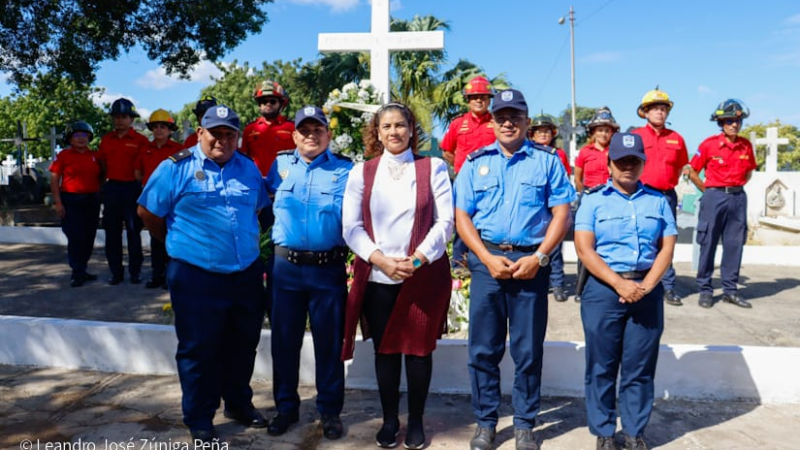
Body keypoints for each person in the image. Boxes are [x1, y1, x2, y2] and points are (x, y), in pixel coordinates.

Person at [137, 105, 270, 443]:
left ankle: (238, 404)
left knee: (244, 345)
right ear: (200, 134)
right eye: (216, 133)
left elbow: (257, 211)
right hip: (196, 276)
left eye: (229, 134)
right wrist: (175, 244)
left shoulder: (249, 169)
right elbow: (148, 211)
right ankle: (199, 417)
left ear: (237, 137)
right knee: (199, 350)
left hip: (245, 274)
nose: (222, 140)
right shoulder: (175, 168)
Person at [454, 89, 575, 450]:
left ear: (526, 121)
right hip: (487, 262)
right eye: (501, 116)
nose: (508, 122)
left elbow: (562, 213)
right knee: (483, 350)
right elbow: (462, 217)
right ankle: (486, 423)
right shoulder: (475, 163)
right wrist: (486, 258)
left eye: (515, 117)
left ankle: (524, 424)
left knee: (527, 351)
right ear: (491, 121)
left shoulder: (548, 161)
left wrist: (539, 256)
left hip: (530, 264)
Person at [342, 102, 453, 450]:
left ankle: (416, 421)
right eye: (386, 126)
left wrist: (417, 260)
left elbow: (445, 222)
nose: (394, 132)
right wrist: (382, 261)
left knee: (419, 352)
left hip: (422, 275)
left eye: (401, 125)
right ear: (377, 132)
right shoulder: (361, 172)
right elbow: (351, 227)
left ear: (411, 130)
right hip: (378, 277)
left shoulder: (432, 167)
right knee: (386, 352)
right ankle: (390, 419)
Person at [574, 132, 677, 450]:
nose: (628, 167)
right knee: (601, 365)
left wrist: (646, 286)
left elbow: (667, 248)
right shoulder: (592, 200)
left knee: (639, 365)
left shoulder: (658, 201)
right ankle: (604, 431)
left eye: (634, 161)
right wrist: (619, 284)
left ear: (643, 163)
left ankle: (634, 432)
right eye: (621, 161)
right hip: (604, 290)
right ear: (609, 163)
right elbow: (584, 248)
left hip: (646, 289)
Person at [265, 106, 353, 439]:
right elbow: (263, 205)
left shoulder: (346, 170)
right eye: (304, 130)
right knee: (284, 343)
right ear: (294, 135)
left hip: (327, 268)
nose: (311, 136)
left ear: (328, 135)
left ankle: (329, 410)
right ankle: (286, 407)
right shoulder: (280, 166)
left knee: (328, 343)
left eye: (318, 130)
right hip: (285, 269)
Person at [688, 99, 756, 310]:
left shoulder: (746, 145)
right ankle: (706, 290)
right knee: (708, 243)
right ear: (720, 122)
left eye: (737, 120)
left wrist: (736, 187)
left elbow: (749, 171)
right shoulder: (708, 145)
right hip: (714, 196)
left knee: (734, 244)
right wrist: (707, 189)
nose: (734, 125)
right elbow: (692, 171)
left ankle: (730, 290)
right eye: (728, 121)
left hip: (737, 198)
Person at [632, 87, 689, 307]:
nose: (660, 112)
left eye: (663, 108)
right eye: (654, 108)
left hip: (666, 196)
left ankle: (668, 286)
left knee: (666, 241)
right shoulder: (636, 136)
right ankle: (641, 280)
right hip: (641, 194)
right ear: (645, 112)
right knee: (641, 237)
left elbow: (682, 165)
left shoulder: (677, 139)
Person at [440, 76, 496, 271]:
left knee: (488, 222)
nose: (479, 100)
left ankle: (486, 264)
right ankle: (458, 266)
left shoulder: (497, 123)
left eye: (483, 96)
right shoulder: (457, 124)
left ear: (489, 100)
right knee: (462, 222)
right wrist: (461, 168)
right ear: (468, 100)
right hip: (465, 182)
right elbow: (446, 150)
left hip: (492, 183)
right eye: (474, 97)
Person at [98, 97, 149, 285]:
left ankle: (135, 271)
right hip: (112, 188)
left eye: (124, 117)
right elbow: (102, 164)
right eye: (117, 117)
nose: (120, 120)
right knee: (112, 234)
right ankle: (115, 272)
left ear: (132, 119)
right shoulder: (106, 140)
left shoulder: (141, 141)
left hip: (133, 189)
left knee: (134, 232)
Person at [573, 107, 620, 303]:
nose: (603, 133)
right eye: (599, 130)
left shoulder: (616, 151)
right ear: (593, 132)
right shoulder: (585, 152)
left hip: (612, 198)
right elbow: (578, 178)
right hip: (590, 198)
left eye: (607, 130)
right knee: (585, 243)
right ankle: (581, 286)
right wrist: (587, 195)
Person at [49, 121, 102, 287]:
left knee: (88, 237)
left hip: (91, 200)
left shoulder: (95, 156)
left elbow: (101, 176)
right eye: (77, 136)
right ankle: (76, 271)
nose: (81, 139)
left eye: (84, 135)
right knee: (76, 237)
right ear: (70, 139)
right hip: (71, 201)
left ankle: (83, 268)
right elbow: (54, 179)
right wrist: (58, 202)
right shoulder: (64, 156)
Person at [135, 109, 182, 289]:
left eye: (163, 126)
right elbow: (138, 173)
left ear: (170, 130)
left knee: (172, 237)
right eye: (155, 127)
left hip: (173, 201)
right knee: (156, 239)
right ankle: (156, 275)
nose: (159, 130)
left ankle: (171, 276)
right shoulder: (145, 149)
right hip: (152, 202)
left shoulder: (178, 149)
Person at [527, 112, 572, 302]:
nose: (543, 135)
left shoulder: (559, 154)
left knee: (555, 248)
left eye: (547, 132)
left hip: (554, 206)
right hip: (535, 207)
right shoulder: (527, 153)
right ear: (532, 135)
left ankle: (558, 284)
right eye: (539, 132)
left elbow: (566, 179)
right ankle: (540, 282)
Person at [241, 80, 295, 176]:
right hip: (257, 183)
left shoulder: (292, 128)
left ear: (281, 104)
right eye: (264, 101)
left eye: (272, 101)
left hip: (285, 184)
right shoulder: (250, 129)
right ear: (259, 104)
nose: (268, 104)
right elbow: (243, 160)